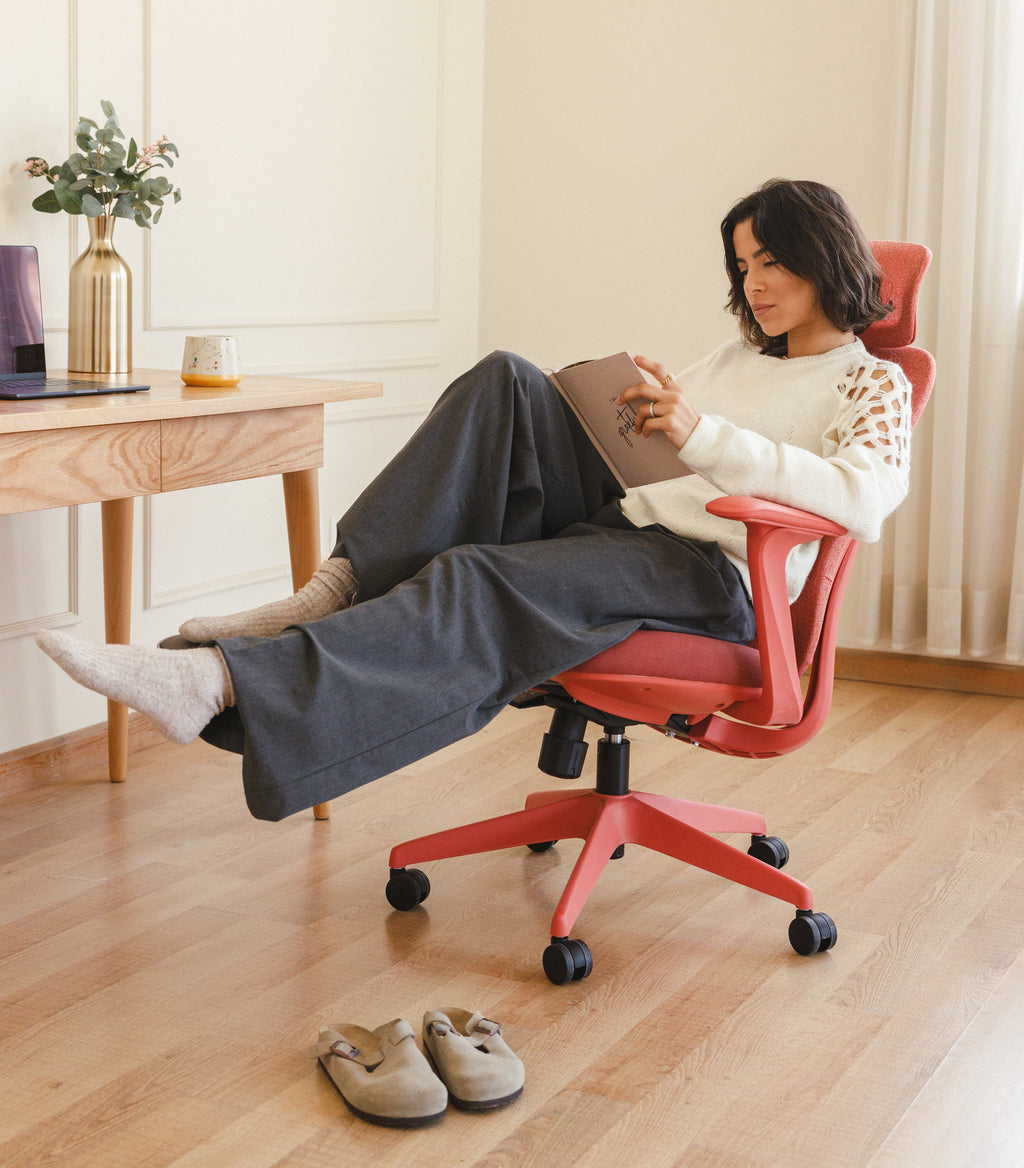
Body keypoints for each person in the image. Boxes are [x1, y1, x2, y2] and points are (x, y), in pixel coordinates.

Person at [37, 179, 911, 821]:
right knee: (507, 380)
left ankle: (217, 680)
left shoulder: (872, 386)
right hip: (632, 521)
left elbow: (860, 501)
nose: (754, 282)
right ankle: (329, 592)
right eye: (745, 263)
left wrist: (701, 435)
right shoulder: (734, 360)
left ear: (823, 257)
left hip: (714, 581)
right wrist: (633, 405)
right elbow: (668, 451)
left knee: (473, 577)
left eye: (773, 261)